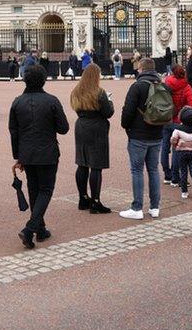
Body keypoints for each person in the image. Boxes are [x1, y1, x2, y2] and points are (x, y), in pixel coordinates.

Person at [9, 64, 69, 248]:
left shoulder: (17, 102)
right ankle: (31, 228)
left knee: (34, 190)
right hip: (47, 152)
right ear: (43, 80)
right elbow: (63, 128)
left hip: (27, 153)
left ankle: (40, 229)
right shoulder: (52, 101)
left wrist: (17, 155)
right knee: (45, 190)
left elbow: (13, 131)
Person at [119, 58, 170, 220]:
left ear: (141, 69)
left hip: (138, 135)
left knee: (137, 171)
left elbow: (128, 112)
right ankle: (155, 207)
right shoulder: (163, 86)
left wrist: (126, 126)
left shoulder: (137, 87)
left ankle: (137, 207)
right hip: (157, 134)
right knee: (154, 170)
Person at [70, 64, 113, 214]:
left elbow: (75, 108)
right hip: (97, 127)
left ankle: (83, 198)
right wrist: (109, 100)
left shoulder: (76, 91)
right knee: (96, 165)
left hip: (81, 126)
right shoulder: (99, 92)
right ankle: (95, 201)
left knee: (82, 163)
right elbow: (108, 113)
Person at [163, 65, 192, 186]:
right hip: (178, 121)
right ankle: (175, 177)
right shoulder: (186, 86)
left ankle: (167, 175)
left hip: (166, 118)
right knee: (176, 149)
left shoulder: (167, 82)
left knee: (164, 148)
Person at [170, 106, 192, 200]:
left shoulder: (178, 130)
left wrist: (176, 147)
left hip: (181, 152)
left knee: (183, 171)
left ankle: (184, 192)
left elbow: (173, 140)